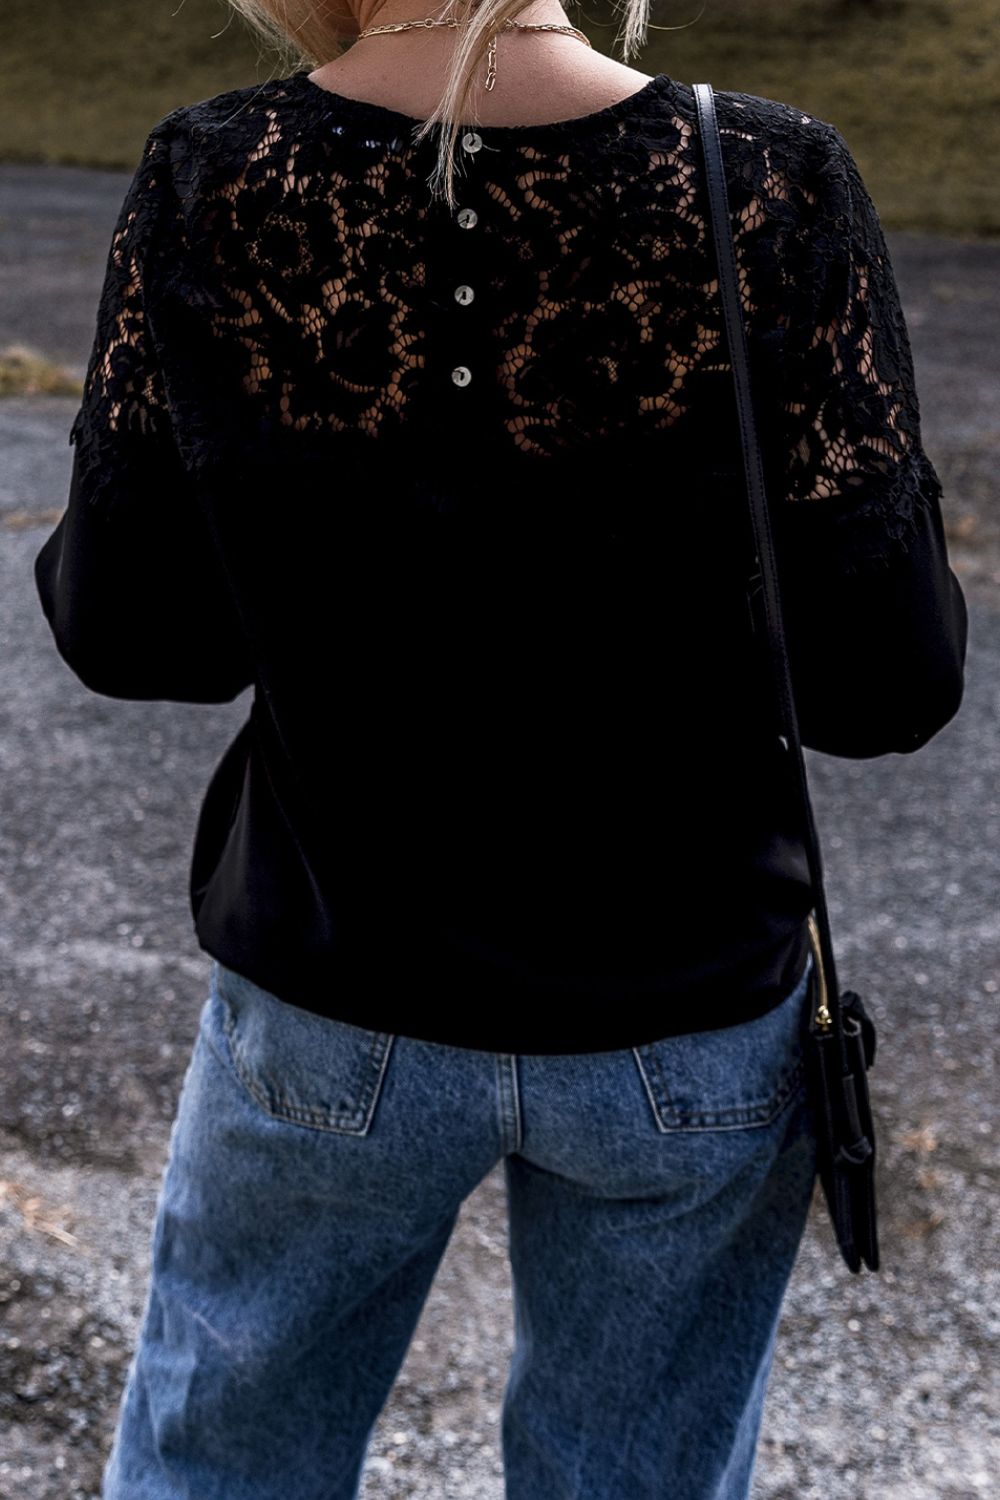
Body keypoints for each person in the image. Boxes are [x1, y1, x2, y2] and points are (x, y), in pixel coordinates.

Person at [33, 1, 968, 1495]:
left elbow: (138, 640)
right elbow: (886, 687)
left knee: (226, 1467)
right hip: (686, 1021)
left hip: (333, 999)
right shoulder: (770, 178)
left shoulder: (220, 171)